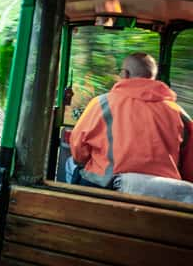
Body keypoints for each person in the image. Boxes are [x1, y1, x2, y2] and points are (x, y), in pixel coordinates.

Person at [69, 52, 193, 200]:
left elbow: (77, 147)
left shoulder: (102, 103)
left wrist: (83, 161)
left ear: (125, 74)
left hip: (105, 187)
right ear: (153, 77)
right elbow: (189, 167)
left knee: (72, 166)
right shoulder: (179, 113)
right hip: (164, 195)